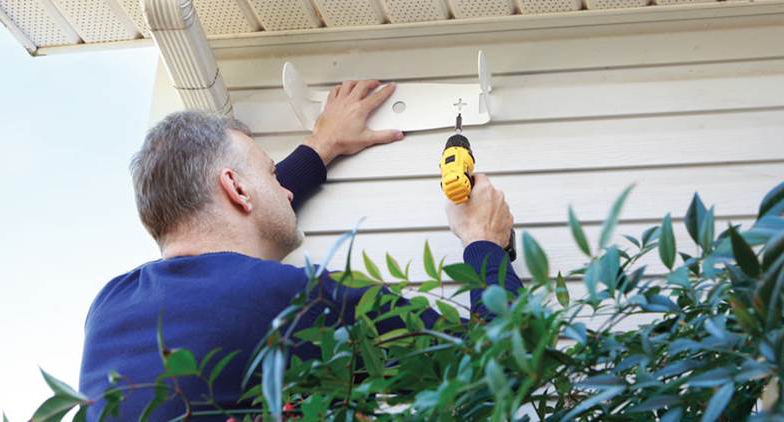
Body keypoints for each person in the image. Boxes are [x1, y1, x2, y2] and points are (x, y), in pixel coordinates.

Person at [78, 80, 523, 419]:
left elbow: (236, 224)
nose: (286, 192)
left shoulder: (110, 308)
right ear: (235, 188)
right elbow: (497, 365)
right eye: (272, 176)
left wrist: (322, 145)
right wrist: (484, 243)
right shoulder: (291, 300)